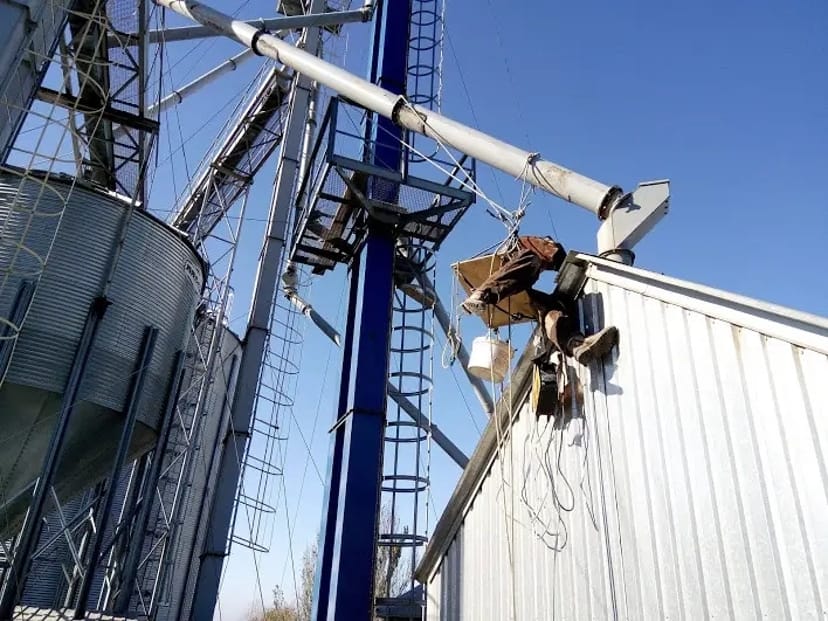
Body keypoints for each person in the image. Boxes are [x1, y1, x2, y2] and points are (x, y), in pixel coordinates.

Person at [461, 235, 618, 365]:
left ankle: (576, 345)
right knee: (532, 260)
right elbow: (555, 255)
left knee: (549, 308)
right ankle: (482, 294)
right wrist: (568, 266)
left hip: (510, 294)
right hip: (499, 286)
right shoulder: (528, 245)